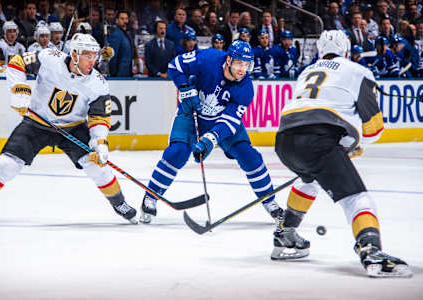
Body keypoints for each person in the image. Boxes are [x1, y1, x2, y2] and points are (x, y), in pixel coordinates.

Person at [272, 29, 411, 278]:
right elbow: (374, 127)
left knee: (310, 180)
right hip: (318, 140)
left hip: (284, 139)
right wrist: (354, 146)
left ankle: (286, 235)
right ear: (347, 51)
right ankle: (371, 252)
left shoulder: (307, 71)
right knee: (357, 199)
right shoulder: (358, 71)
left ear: (320, 51)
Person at [0, 33, 138, 224]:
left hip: (72, 128)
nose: (92, 60)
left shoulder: (98, 83)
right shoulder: (49, 57)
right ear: (74, 54)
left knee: (98, 168)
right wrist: (19, 89)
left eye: (94, 55)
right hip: (37, 123)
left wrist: (100, 143)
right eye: (87, 55)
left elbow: (99, 117)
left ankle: (120, 203)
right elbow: (17, 62)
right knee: (6, 165)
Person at [139, 40, 282, 224]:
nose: (242, 69)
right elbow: (175, 66)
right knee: (177, 152)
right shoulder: (208, 58)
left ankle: (270, 202)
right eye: (239, 63)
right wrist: (184, 88)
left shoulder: (246, 88)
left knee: (249, 156)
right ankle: (150, 197)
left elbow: (229, 122)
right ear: (229, 60)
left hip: (220, 121)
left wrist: (210, 139)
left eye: (246, 65)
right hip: (191, 113)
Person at [108, 10, 134, 77]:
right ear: (117, 20)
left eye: (126, 19)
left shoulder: (128, 35)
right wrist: (114, 74)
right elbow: (112, 56)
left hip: (128, 73)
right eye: (122, 19)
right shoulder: (116, 35)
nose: (125, 21)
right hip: (119, 74)